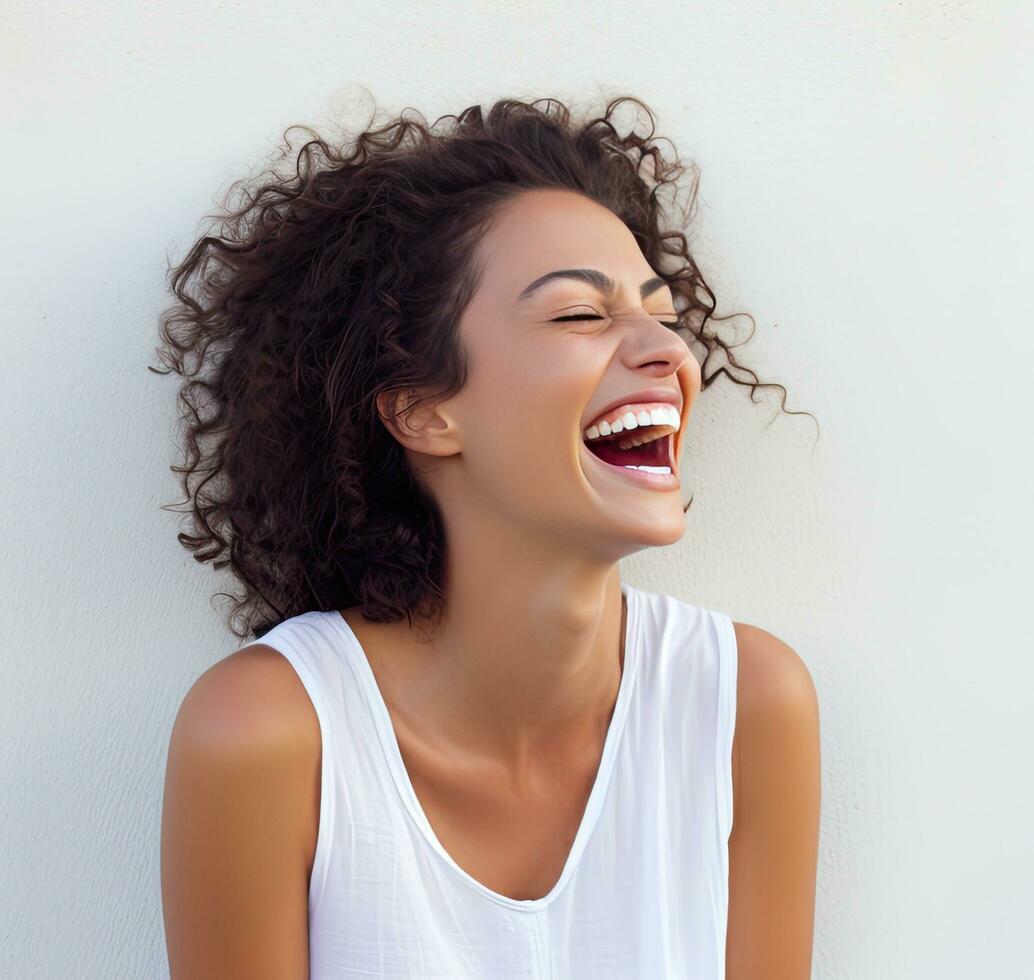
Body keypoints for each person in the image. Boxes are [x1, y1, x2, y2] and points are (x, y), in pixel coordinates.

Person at [151, 96, 820, 978]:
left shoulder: (745, 707)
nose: (666, 350)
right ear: (424, 411)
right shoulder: (271, 734)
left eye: (661, 315)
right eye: (580, 315)